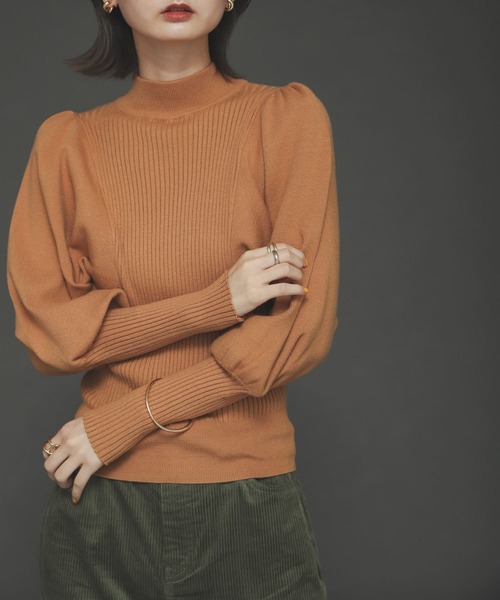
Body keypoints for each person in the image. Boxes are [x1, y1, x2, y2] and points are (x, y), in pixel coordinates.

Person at [6, 0, 340, 598]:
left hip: (244, 501)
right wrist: (215, 305)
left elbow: (295, 331)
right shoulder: (65, 145)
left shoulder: (286, 120)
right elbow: (52, 336)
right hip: (99, 503)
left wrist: (129, 419)